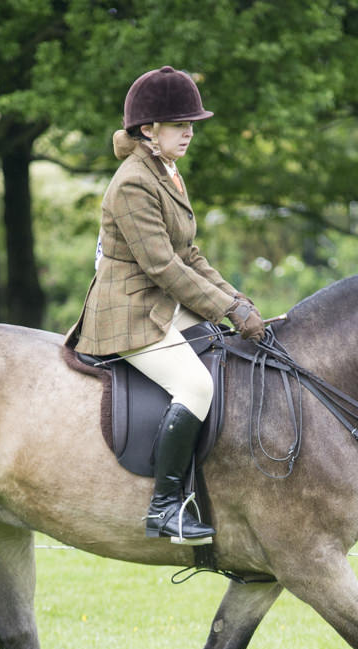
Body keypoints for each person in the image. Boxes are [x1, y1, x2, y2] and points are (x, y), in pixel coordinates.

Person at [67, 66, 265, 546]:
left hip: (161, 302)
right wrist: (229, 310)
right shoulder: (133, 182)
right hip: (130, 311)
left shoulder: (166, 172)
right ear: (148, 131)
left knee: (224, 356)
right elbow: (163, 267)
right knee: (196, 385)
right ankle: (166, 508)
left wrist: (236, 299)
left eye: (191, 123)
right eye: (180, 124)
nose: (189, 132)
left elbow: (190, 255)